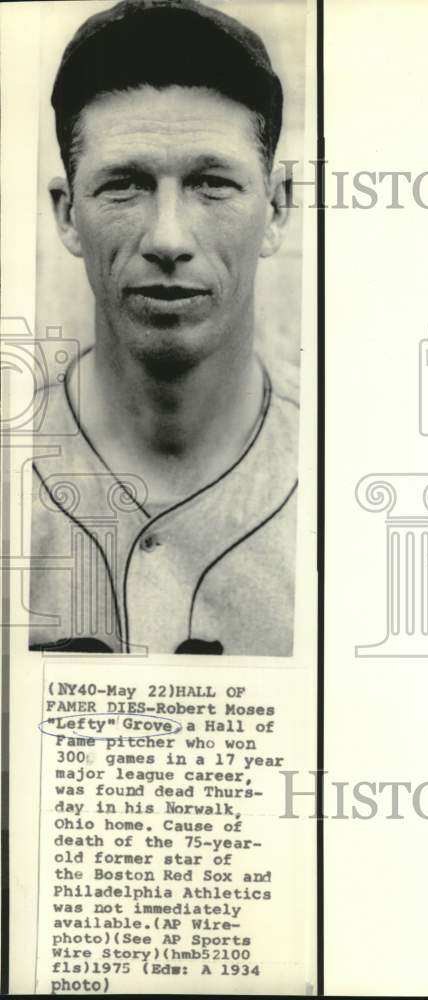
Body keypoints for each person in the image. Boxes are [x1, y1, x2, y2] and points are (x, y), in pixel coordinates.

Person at [28, 0, 299, 656]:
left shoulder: (349, 480)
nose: (169, 239)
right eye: (125, 185)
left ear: (278, 208)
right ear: (67, 214)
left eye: (211, 184)